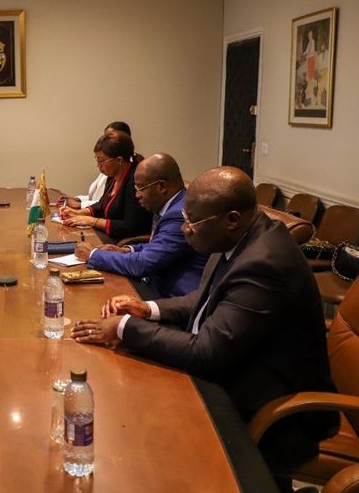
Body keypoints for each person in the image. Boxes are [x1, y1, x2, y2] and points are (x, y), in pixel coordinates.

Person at [70, 167, 338, 481]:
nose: (185, 229)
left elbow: (205, 352)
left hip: (275, 411)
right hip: (235, 369)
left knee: (146, 435)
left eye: (192, 221)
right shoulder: (238, 237)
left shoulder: (264, 264)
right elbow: (207, 297)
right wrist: (148, 308)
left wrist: (123, 328)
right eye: (184, 218)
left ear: (232, 218)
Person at [75, 153, 207, 299]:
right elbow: (158, 245)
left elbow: (142, 264)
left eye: (141, 188)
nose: (137, 195)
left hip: (168, 297)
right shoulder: (168, 205)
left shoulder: (179, 215)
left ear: (162, 186)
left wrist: (93, 254)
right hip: (155, 284)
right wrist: (127, 250)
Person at [58, 131, 151, 242]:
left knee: (76, 242)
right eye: (97, 160)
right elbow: (102, 205)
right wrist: (77, 213)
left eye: (101, 161)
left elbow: (130, 226)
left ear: (119, 160)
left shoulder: (134, 181)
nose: (98, 166)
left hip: (122, 241)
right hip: (107, 234)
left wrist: (91, 221)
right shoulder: (113, 177)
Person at [59, 121, 137, 210]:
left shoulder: (129, 178)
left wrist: (80, 208)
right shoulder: (112, 173)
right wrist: (78, 201)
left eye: (110, 138)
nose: (104, 142)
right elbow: (100, 201)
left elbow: (106, 206)